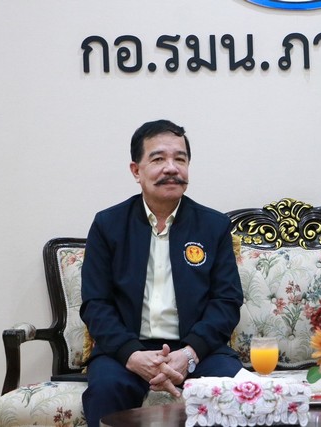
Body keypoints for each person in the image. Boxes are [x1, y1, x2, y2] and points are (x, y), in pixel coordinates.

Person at [80, 119, 243, 425]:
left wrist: (189, 354)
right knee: (106, 390)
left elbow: (227, 301)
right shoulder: (108, 225)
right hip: (126, 350)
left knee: (234, 389)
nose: (171, 168)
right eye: (158, 159)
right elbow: (96, 304)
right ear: (136, 171)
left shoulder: (213, 226)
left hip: (199, 350)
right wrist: (132, 354)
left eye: (180, 159)